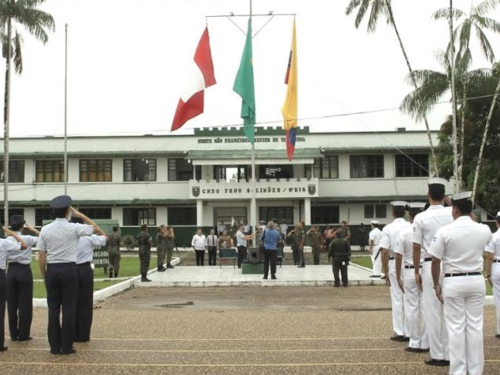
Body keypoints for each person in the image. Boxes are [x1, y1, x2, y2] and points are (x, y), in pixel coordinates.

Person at [429, 191, 492, 375]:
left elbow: (435, 260)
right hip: (475, 280)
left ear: (454, 209)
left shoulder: (444, 231)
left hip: (453, 281)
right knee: (475, 327)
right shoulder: (484, 229)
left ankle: (457, 371)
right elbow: (482, 238)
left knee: (456, 328)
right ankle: (475, 370)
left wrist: (435, 285)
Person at [37, 196, 96, 355]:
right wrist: (80, 214)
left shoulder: (46, 229)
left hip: (53, 270)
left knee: (53, 309)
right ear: (67, 212)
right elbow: (94, 228)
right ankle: (67, 345)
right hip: (70, 270)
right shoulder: (73, 228)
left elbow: (42, 255)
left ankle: (54, 346)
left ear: (54, 211)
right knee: (69, 309)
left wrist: (43, 275)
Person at [412, 177, 453, 367]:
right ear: (444, 196)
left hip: (430, 265)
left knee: (433, 310)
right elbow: (472, 219)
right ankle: (452, 352)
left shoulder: (421, 217)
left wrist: (416, 271)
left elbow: (416, 247)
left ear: (428, 195)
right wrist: (452, 204)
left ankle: (438, 354)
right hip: (450, 264)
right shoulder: (452, 213)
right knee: (450, 310)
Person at [394, 203, 428, 353]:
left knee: (411, 307)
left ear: (409, 216)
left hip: (409, 271)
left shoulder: (404, 232)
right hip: (425, 269)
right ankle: (426, 341)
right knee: (427, 307)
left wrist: (398, 276)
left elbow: (398, 256)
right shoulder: (428, 231)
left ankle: (414, 342)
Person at [70, 217, 107, 343]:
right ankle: (84, 334)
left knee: (71, 302)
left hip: (70, 269)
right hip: (85, 269)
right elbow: (104, 237)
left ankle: (72, 333)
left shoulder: (68, 238)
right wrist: (89, 222)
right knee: (85, 303)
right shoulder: (88, 238)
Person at [380, 201, 411, 342]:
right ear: (404, 212)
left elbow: (385, 251)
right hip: (410, 262)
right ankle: (412, 331)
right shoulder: (411, 226)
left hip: (394, 262)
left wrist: (385, 270)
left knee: (397, 297)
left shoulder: (388, 228)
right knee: (411, 298)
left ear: (393, 213)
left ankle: (400, 331)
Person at [6, 216, 38, 342]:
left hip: (11, 270)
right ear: (22, 226)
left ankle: (13, 333)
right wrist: (33, 229)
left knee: (12, 304)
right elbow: (43, 239)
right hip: (24, 270)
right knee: (25, 303)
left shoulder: (7, 239)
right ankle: (24, 333)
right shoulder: (28, 238)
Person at [1, 227, 28, 352]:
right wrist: (12, 234)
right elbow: (23, 245)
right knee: (2, 309)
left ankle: (11, 334)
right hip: (3, 274)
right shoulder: (4, 242)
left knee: (8, 306)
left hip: (9, 272)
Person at [485, 211, 500, 339]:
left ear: (497, 222)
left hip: (497, 266)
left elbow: (489, 257)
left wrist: (488, 274)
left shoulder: (493, 237)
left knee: (499, 300)